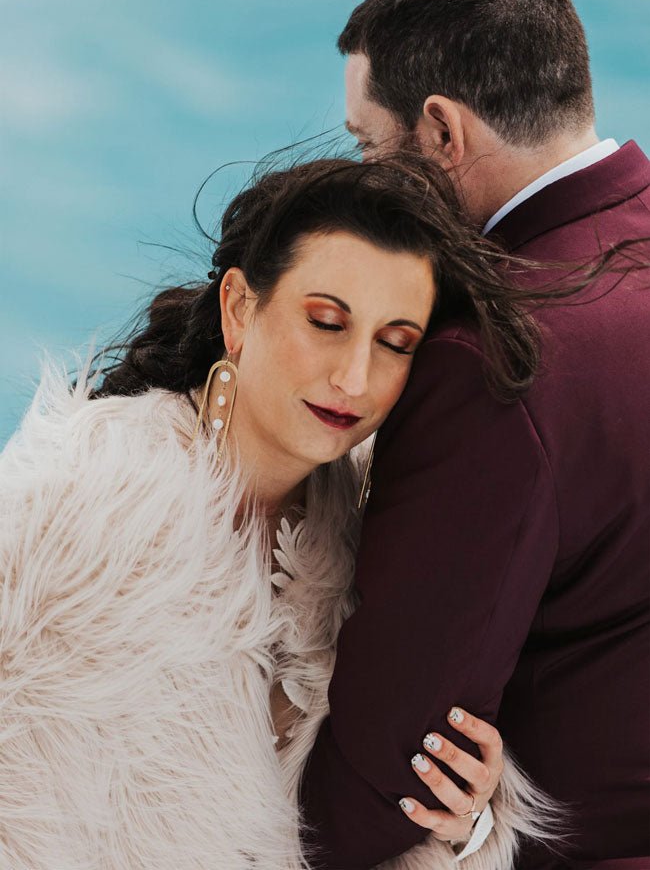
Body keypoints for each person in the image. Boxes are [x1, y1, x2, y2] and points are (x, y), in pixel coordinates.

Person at [0, 156, 560, 869]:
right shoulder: (72, 509)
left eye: (395, 344)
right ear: (239, 308)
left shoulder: (375, 536)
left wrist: (463, 819)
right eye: (326, 322)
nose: (355, 377)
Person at [298, 0, 650, 870]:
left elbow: (382, 791)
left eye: (371, 145)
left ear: (443, 134)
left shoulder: (495, 362)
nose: (368, 175)